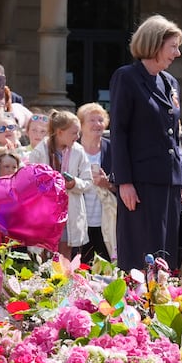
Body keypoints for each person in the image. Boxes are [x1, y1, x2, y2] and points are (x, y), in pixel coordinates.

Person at [110, 14, 182, 271]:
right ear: (155, 44)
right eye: (173, 46)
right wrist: (124, 181)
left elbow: (174, 133)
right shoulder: (127, 77)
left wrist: (180, 179)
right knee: (141, 252)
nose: (178, 53)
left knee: (167, 253)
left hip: (169, 182)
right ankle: (135, 307)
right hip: (140, 182)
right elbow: (119, 131)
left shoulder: (170, 82)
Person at [29, 111, 92, 258]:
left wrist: (74, 183)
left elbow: (88, 181)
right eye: (74, 133)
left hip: (69, 210)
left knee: (65, 251)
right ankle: (44, 279)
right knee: (43, 249)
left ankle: (64, 280)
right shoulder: (40, 151)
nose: (77, 137)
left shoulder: (78, 151)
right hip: (45, 209)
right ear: (60, 132)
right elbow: (30, 181)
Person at [77, 102, 115, 262]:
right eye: (92, 120)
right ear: (81, 125)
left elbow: (123, 183)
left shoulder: (112, 149)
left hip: (106, 220)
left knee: (107, 265)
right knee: (79, 265)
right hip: (79, 220)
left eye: (100, 120)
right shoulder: (72, 149)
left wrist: (107, 184)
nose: (97, 124)